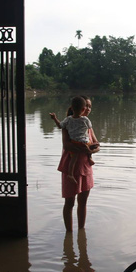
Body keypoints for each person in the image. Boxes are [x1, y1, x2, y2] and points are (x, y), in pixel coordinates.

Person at [52, 96, 99, 231]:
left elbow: (97, 144)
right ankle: (69, 233)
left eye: (90, 107)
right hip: (70, 167)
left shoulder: (87, 125)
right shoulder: (68, 124)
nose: (88, 109)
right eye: (87, 106)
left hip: (85, 166)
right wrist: (83, 148)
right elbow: (66, 146)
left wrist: (91, 149)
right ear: (80, 108)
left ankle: (81, 232)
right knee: (70, 202)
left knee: (83, 202)